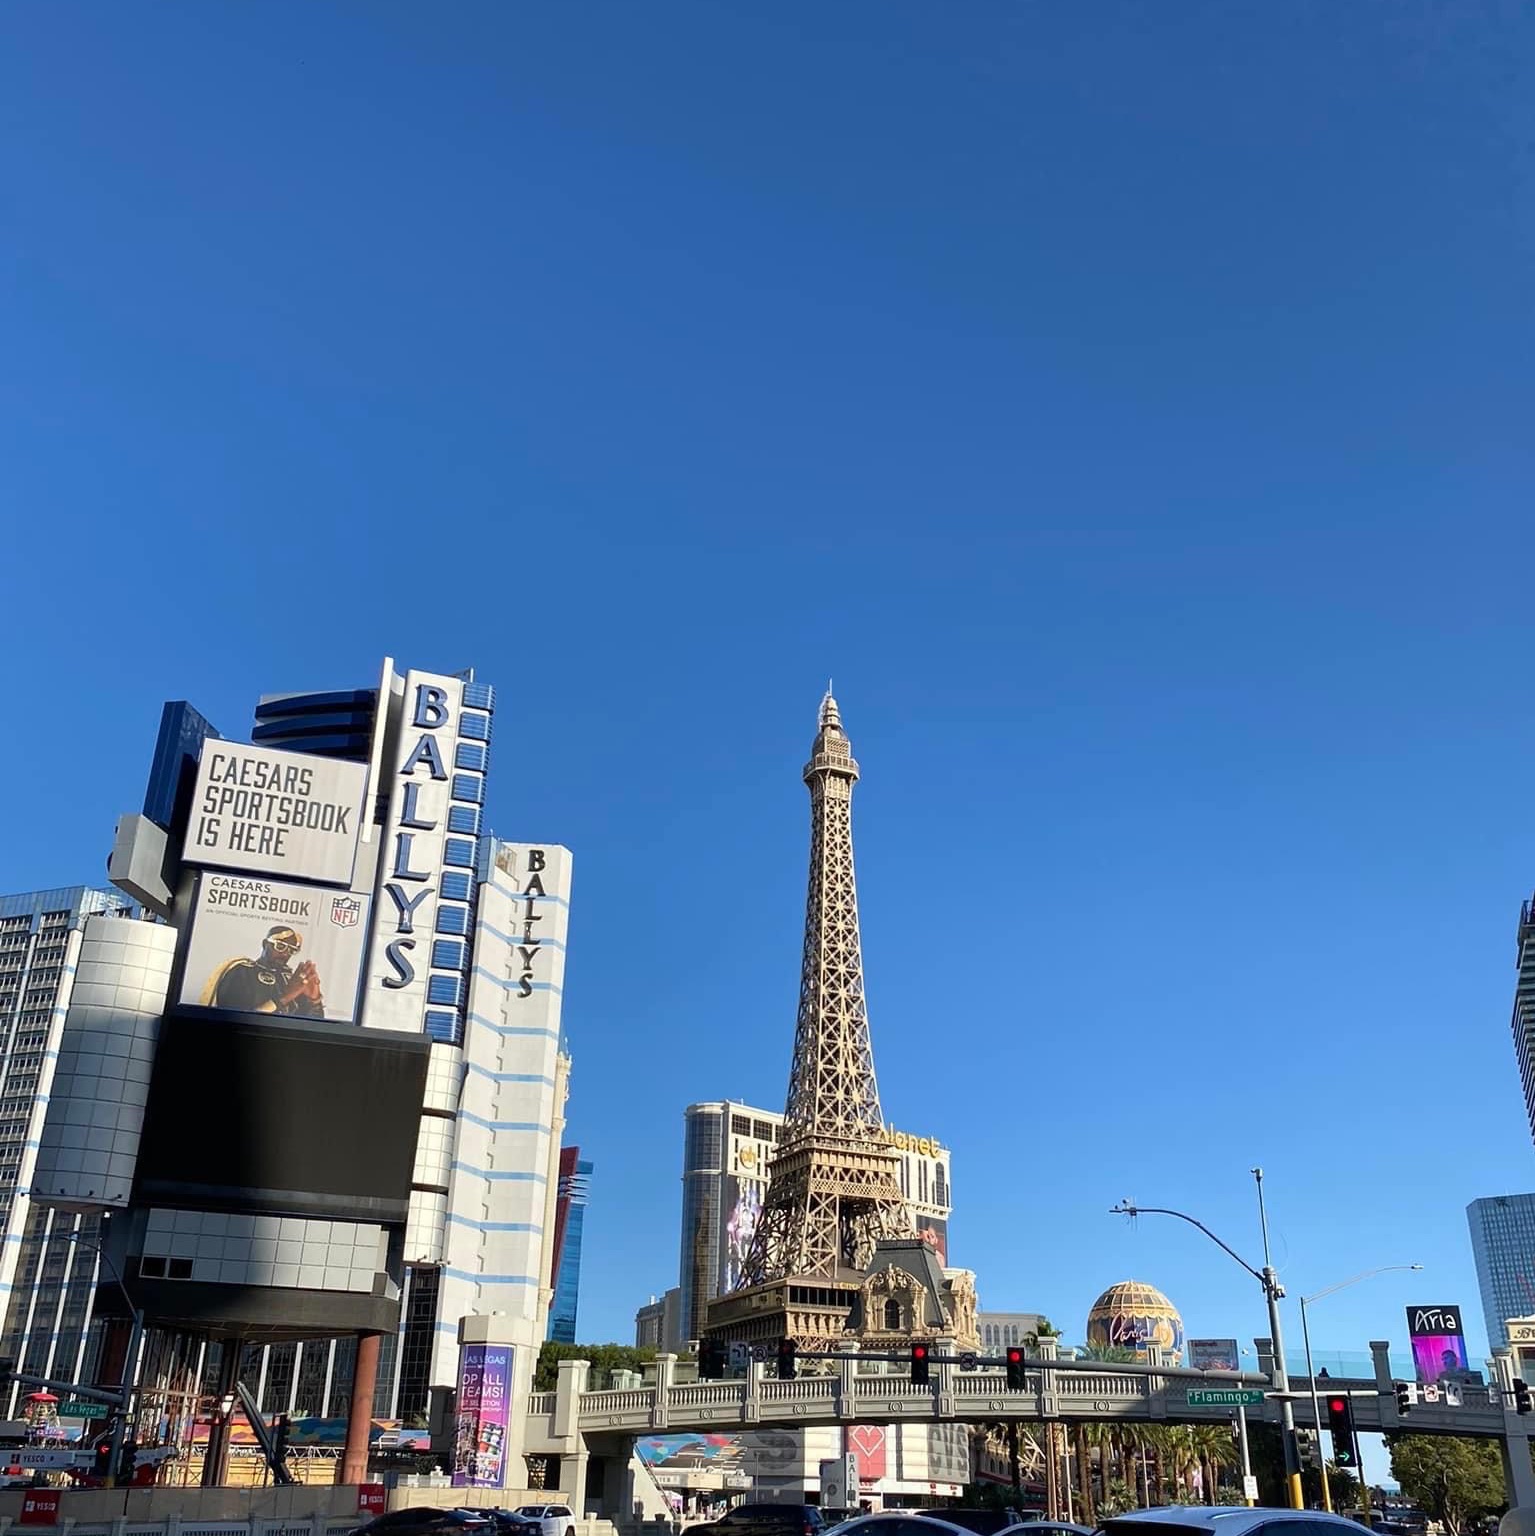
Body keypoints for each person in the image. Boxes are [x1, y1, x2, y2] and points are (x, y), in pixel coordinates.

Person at [200, 925, 324, 1017]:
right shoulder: (242, 971)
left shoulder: (290, 979)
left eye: (292, 950)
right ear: (265, 944)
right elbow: (235, 1020)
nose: (285, 954)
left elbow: (314, 1026)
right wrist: (284, 997)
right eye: (280, 946)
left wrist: (315, 1000)